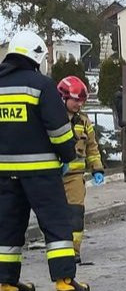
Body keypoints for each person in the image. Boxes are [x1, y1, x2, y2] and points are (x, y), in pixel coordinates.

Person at [0, 31, 90, 291]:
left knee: (7, 227)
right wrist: (67, 155)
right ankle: (64, 282)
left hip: (4, 174)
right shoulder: (40, 84)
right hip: (41, 174)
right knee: (56, 224)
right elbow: (59, 130)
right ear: (36, 55)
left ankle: (6, 283)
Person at [56, 77, 104, 265]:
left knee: (76, 214)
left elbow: (92, 147)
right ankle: (58, 249)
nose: (79, 104)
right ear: (63, 97)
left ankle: (74, 251)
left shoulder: (83, 121)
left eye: (82, 100)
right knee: (55, 216)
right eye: (75, 99)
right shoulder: (52, 119)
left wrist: (97, 168)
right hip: (53, 175)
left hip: (74, 177)